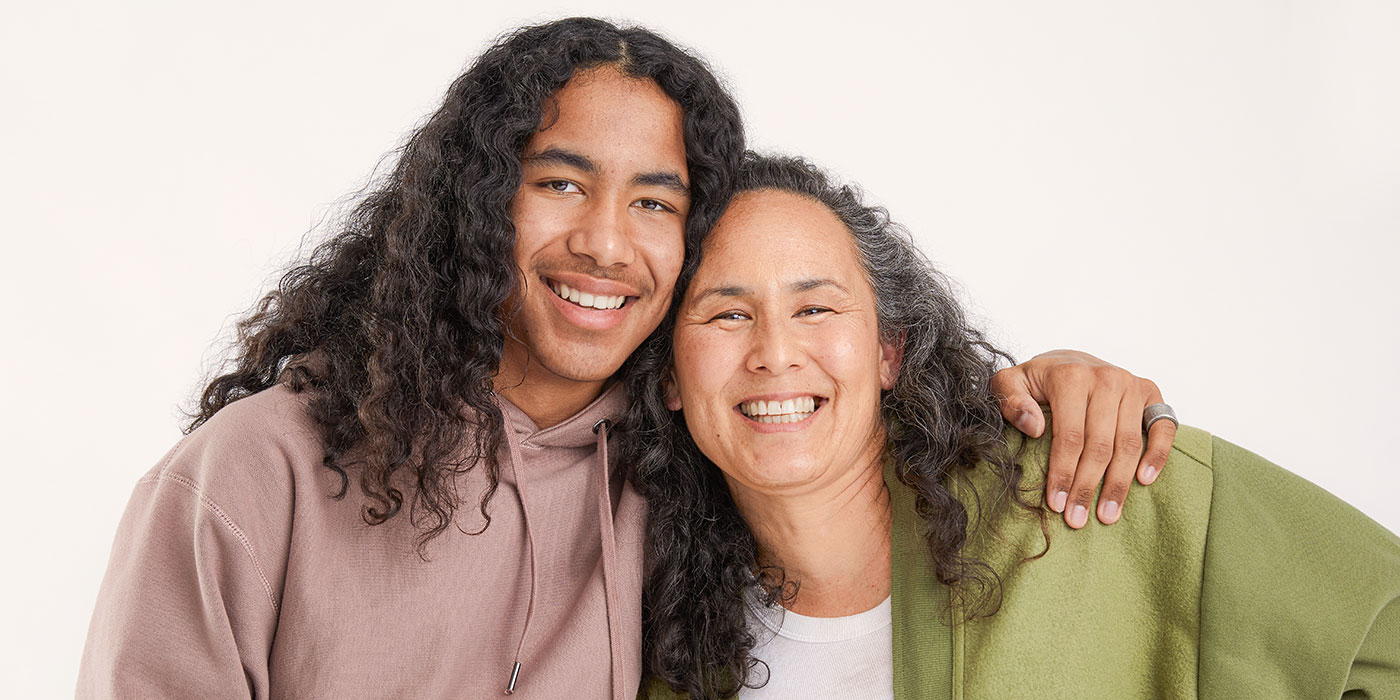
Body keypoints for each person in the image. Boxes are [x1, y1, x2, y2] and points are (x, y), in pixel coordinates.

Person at [79, 18, 1175, 700]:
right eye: (559, 183)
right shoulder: (255, 475)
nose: (606, 243)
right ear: (477, 201)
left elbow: (840, 421)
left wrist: (1059, 385)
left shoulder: (686, 471)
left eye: (655, 202)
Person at [638, 154, 1400, 699]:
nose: (775, 353)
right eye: (726, 314)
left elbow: (1382, 629)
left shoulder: (1088, 486)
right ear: (668, 373)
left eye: (815, 308)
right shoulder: (659, 636)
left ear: (888, 352)